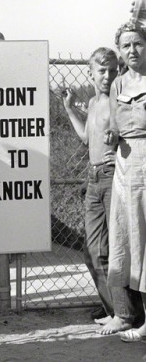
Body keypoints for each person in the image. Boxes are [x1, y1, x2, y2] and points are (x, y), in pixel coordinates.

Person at [63, 48, 132, 326]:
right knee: (91, 253)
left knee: (112, 250)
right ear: (91, 73)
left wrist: (117, 134)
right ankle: (114, 309)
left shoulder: (120, 100)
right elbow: (85, 138)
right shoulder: (92, 102)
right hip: (92, 179)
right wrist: (69, 108)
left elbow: (122, 133)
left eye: (113, 70)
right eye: (102, 71)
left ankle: (124, 313)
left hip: (111, 175)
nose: (108, 76)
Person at [103, 20, 146, 341]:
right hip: (124, 167)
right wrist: (112, 133)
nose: (132, 50)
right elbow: (116, 125)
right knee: (125, 239)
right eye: (126, 45)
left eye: (138, 43)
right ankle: (129, 315)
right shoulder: (117, 84)